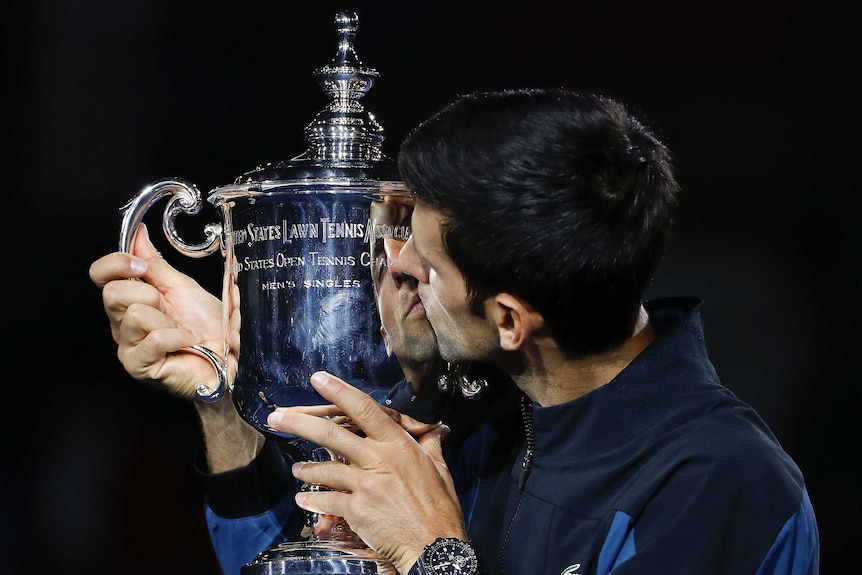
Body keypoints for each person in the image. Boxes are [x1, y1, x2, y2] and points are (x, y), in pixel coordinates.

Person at [259, 88, 820, 575]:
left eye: (425, 259)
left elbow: (433, 553)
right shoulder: (484, 421)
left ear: (509, 321)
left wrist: (431, 553)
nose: (397, 264)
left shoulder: (717, 482)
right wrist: (222, 398)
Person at [89, 200, 516, 573]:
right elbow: (268, 561)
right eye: (386, 250)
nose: (403, 265)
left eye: (422, 248)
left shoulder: (519, 437)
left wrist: (434, 556)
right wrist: (222, 387)